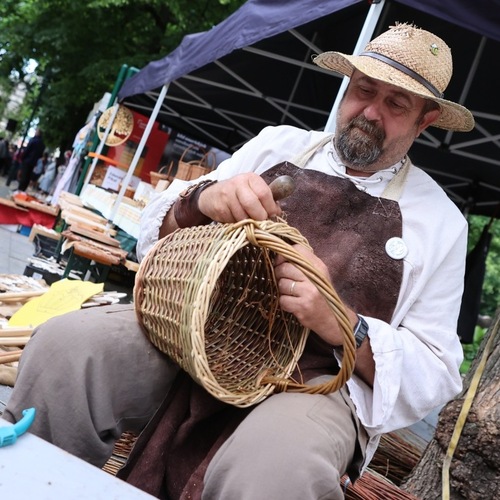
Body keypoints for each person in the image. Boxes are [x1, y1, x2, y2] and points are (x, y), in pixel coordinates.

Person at [4, 23, 474, 499]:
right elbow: (152, 236)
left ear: (426, 120)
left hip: (317, 381)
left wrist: (346, 326)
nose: (370, 112)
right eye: (363, 90)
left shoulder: (439, 224)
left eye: (396, 104)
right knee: (65, 350)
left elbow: (437, 370)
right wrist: (204, 199)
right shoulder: (278, 146)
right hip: (194, 330)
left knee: (277, 469)